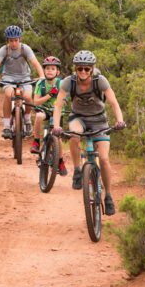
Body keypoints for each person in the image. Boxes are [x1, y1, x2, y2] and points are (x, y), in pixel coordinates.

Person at [52, 50, 126, 216]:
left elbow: (113, 103)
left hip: (99, 119)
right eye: (80, 69)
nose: (83, 72)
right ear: (75, 69)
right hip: (78, 118)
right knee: (74, 134)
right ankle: (78, 170)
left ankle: (108, 196)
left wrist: (119, 120)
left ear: (92, 69)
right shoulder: (68, 82)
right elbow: (58, 105)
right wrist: (56, 126)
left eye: (87, 69)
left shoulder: (100, 81)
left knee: (105, 159)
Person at [0, 25, 44, 139]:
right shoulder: (4, 50)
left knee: (28, 97)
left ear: (20, 39)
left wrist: (42, 76)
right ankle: (6, 126)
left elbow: (35, 63)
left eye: (15, 40)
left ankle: (27, 120)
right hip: (8, 77)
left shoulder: (25, 49)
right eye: (11, 41)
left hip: (25, 77)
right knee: (9, 94)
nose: (13, 43)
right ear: (7, 40)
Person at [31, 56, 68, 176]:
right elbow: (36, 102)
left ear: (57, 71)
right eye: (47, 68)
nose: (49, 71)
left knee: (58, 137)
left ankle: (60, 161)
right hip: (43, 109)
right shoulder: (40, 83)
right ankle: (36, 141)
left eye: (53, 68)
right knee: (38, 117)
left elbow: (65, 98)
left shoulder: (61, 83)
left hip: (57, 112)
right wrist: (49, 95)